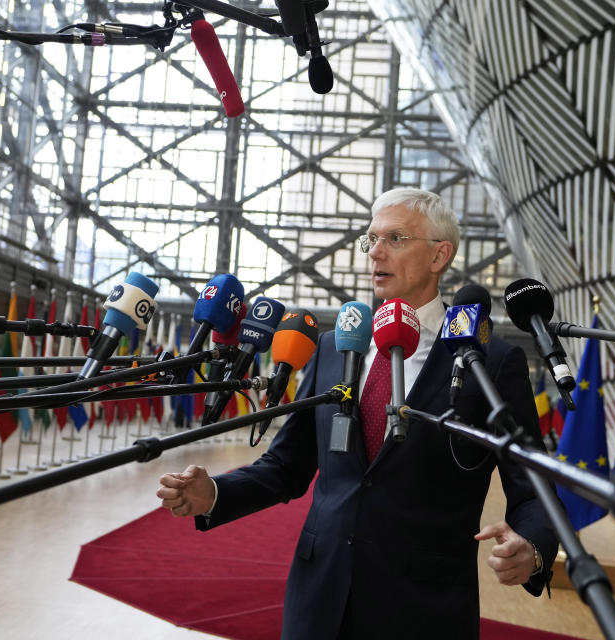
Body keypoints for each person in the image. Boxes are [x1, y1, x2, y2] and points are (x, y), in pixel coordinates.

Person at [157, 188, 558, 639]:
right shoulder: (334, 346)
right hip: (319, 598)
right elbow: (287, 465)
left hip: (424, 609)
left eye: (395, 239)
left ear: (439, 256)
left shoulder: (489, 360)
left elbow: (532, 488)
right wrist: (215, 493)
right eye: (370, 240)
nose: (376, 253)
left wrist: (534, 549)